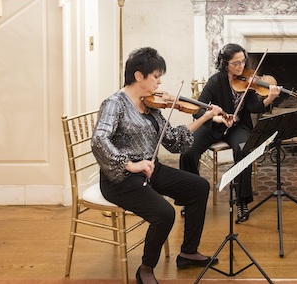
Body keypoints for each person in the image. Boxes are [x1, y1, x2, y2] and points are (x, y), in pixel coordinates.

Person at [92, 47, 226, 284]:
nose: (160, 81)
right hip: (121, 178)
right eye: (156, 76)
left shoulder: (151, 106)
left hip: (151, 168)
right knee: (165, 213)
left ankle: (187, 252)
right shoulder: (115, 103)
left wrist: (204, 117)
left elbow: (174, 141)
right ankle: (145, 268)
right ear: (138, 76)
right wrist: (129, 165)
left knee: (198, 187)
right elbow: (99, 139)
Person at [179, 43, 281, 223]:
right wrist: (216, 118)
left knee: (244, 149)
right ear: (225, 64)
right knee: (188, 151)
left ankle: (242, 201)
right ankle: (190, 199)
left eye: (243, 61)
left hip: (237, 128)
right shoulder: (215, 81)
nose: (241, 66)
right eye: (236, 63)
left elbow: (253, 107)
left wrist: (270, 98)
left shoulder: (247, 81)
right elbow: (199, 108)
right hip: (213, 127)